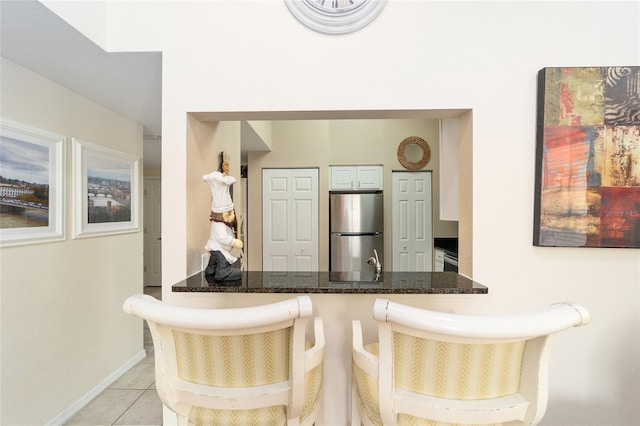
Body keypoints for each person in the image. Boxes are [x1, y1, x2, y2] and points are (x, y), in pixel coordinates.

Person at [203, 152, 243, 281]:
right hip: (220, 249)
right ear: (224, 215)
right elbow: (221, 237)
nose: (233, 215)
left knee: (214, 260)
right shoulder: (220, 225)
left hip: (215, 248)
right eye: (230, 213)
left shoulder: (220, 223)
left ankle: (211, 270)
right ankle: (223, 272)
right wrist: (234, 242)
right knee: (223, 262)